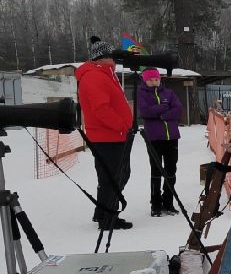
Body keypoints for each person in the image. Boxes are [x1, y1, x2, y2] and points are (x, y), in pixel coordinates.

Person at [77, 36, 134, 230]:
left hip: (110, 135)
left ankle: (103, 212)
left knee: (114, 176)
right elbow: (101, 109)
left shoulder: (102, 74)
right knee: (113, 177)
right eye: (112, 57)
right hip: (107, 136)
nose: (115, 61)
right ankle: (107, 217)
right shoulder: (94, 76)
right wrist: (121, 125)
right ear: (102, 58)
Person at [137, 67, 183, 217]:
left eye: (156, 79)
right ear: (145, 80)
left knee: (171, 170)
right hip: (154, 138)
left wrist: (163, 116)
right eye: (151, 79)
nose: (154, 82)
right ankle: (155, 204)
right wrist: (162, 108)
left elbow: (178, 109)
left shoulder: (168, 93)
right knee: (156, 171)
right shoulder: (141, 93)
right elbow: (144, 112)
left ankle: (168, 202)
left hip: (172, 137)